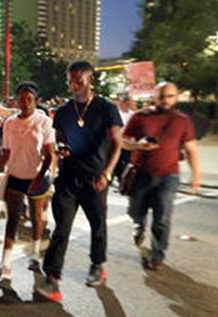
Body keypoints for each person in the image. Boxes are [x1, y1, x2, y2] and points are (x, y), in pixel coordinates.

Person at [38, 61, 124, 302]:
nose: (73, 85)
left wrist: (107, 173)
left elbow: (117, 143)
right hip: (67, 178)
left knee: (98, 225)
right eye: (70, 80)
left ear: (90, 79)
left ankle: (97, 264)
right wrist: (60, 151)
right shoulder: (64, 112)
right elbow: (59, 141)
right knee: (61, 228)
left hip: (95, 178)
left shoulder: (106, 108)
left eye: (78, 80)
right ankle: (52, 277)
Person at [122, 82, 201, 270]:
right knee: (136, 211)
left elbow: (191, 149)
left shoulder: (182, 120)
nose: (166, 100)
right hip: (141, 173)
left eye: (170, 96)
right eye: (162, 96)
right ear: (154, 96)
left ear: (176, 97)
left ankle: (157, 254)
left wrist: (196, 175)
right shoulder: (140, 117)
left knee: (162, 216)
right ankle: (139, 225)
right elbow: (123, 142)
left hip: (169, 175)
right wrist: (138, 146)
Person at [0, 81, 55, 280]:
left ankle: (34, 256)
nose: (25, 103)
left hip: (37, 177)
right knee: (12, 220)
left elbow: (50, 155)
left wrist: (39, 178)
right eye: (21, 99)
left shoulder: (43, 121)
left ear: (36, 101)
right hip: (15, 176)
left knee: (36, 217)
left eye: (29, 99)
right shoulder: (9, 123)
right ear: (16, 101)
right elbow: (5, 153)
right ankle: (5, 264)